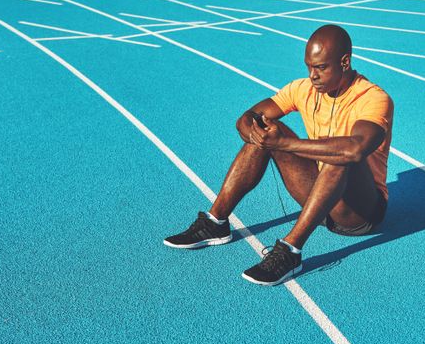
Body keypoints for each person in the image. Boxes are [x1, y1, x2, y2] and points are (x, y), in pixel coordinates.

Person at [164, 24, 394, 286]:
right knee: (264, 130)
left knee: (339, 153)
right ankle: (215, 222)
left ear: (344, 62)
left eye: (320, 67)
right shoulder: (304, 89)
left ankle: (290, 252)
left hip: (360, 214)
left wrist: (284, 143)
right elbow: (248, 117)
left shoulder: (373, 98)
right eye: (309, 66)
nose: (313, 75)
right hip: (320, 198)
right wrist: (252, 131)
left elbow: (355, 149)